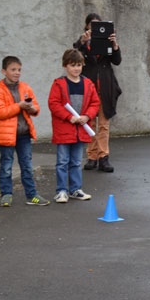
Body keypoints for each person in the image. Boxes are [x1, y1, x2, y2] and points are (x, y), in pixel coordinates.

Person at [0, 56, 49, 207]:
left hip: (23, 134)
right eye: (13, 70)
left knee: (27, 166)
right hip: (7, 136)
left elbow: (36, 107)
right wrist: (19, 106)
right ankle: (6, 194)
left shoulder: (25, 88)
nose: (17, 73)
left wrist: (32, 108)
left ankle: (32, 195)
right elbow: (0, 112)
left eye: (19, 70)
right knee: (6, 166)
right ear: (4, 71)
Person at [48, 49, 99, 203]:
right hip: (64, 129)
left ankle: (75, 189)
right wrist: (69, 117)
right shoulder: (59, 84)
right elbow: (54, 103)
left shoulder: (88, 84)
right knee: (62, 162)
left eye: (79, 65)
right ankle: (61, 190)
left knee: (76, 162)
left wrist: (87, 116)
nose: (76, 68)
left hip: (80, 130)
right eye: (72, 65)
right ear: (65, 66)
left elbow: (95, 103)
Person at [73, 13, 122, 173]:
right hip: (89, 89)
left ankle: (103, 157)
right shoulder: (82, 43)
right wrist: (82, 42)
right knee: (89, 123)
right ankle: (91, 157)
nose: (95, 28)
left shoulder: (107, 41)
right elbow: (74, 57)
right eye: (92, 25)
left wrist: (115, 45)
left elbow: (117, 60)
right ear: (87, 26)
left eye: (98, 25)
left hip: (105, 88)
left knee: (104, 125)